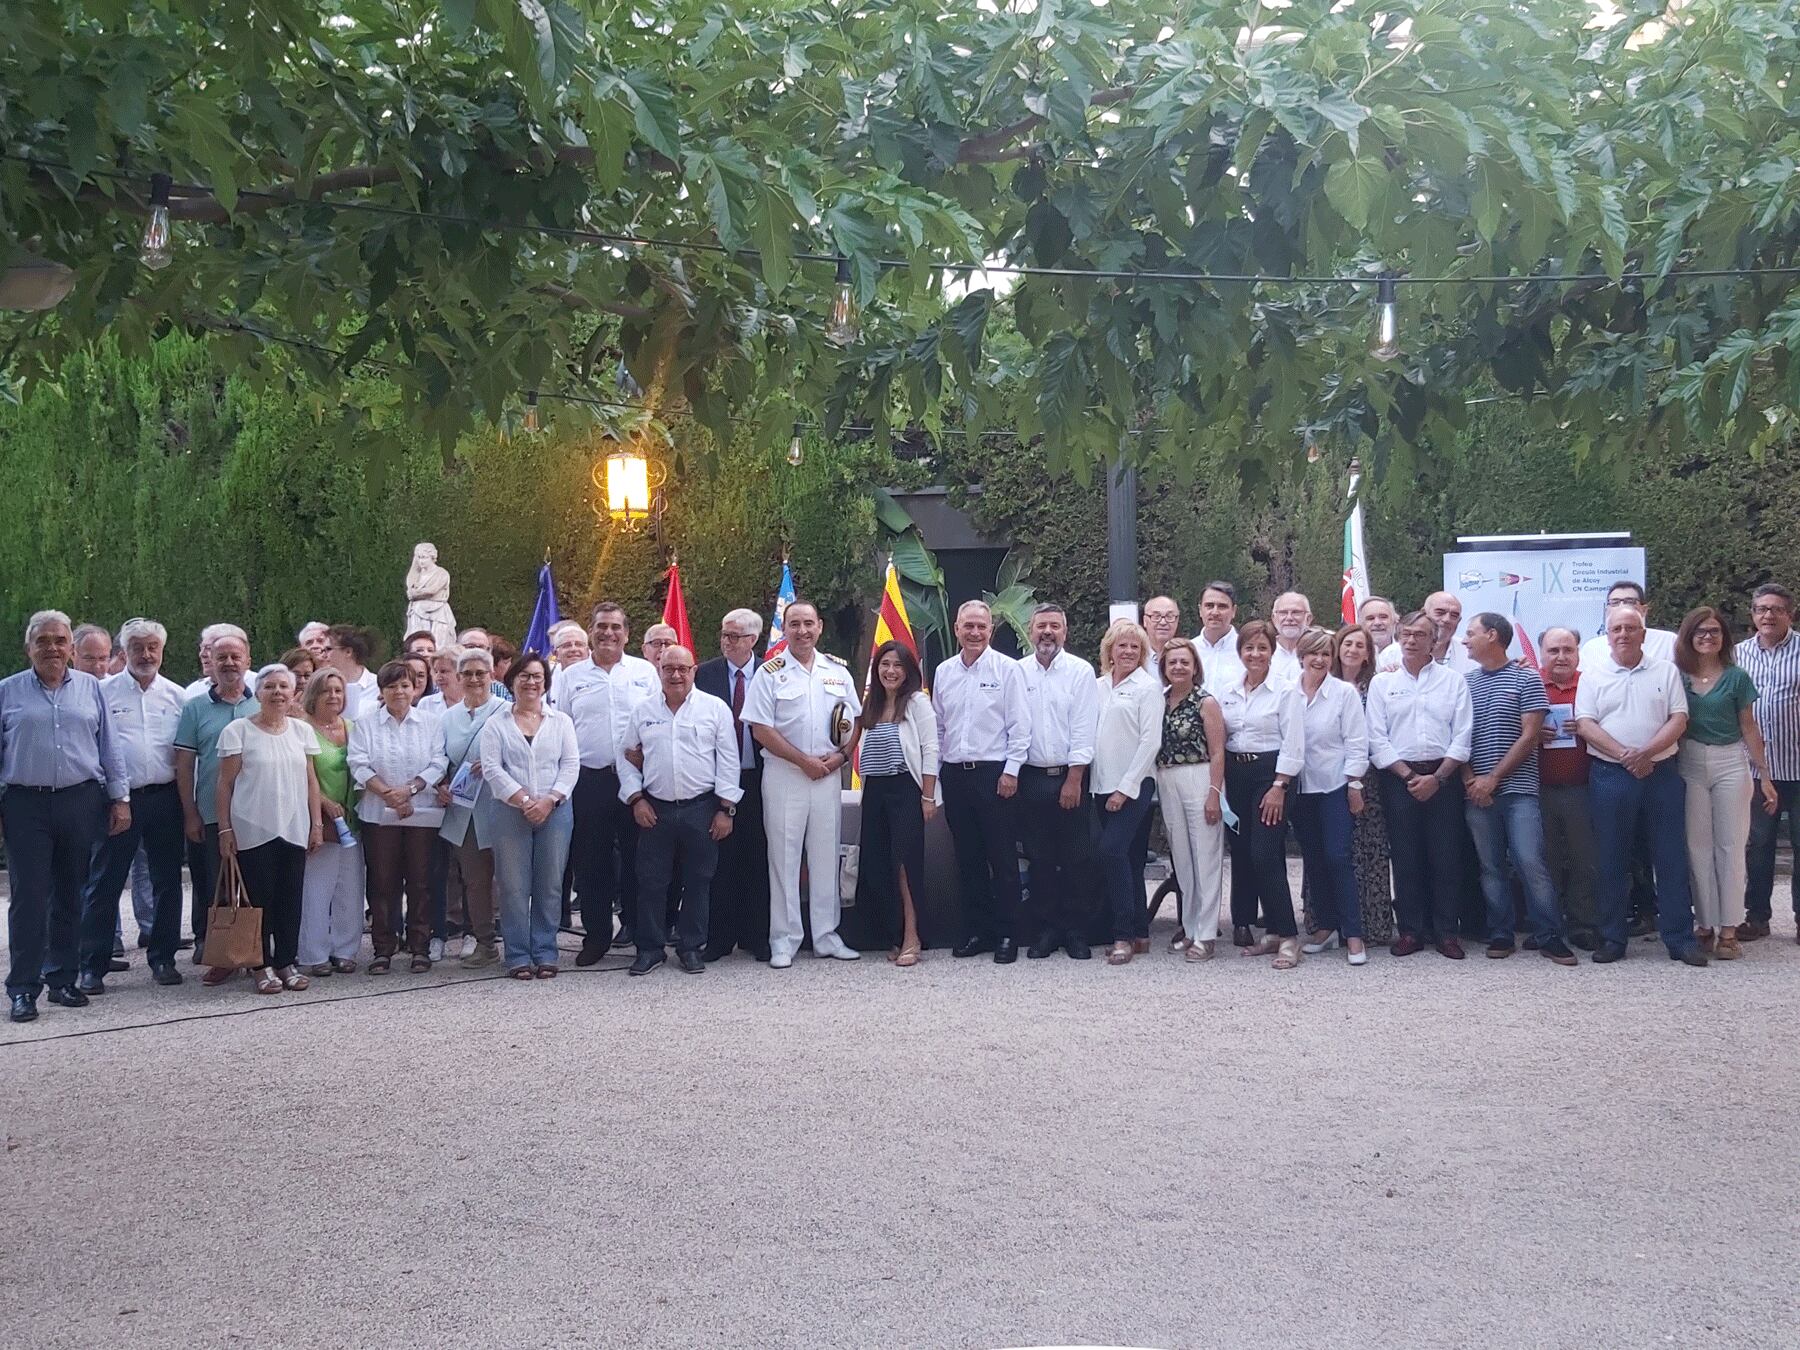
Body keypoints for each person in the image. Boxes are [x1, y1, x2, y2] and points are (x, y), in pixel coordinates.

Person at [2, 611, 129, 1022]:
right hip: (26, 805)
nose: (52, 648)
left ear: (72, 649)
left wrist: (120, 799)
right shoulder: (8, 691)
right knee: (29, 898)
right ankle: (23, 988)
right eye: (43, 641)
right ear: (29, 648)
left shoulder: (91, 689)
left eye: (59, 640)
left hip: (79, 801)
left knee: (71, 893)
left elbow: (109, 748)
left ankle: (63, 979)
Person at [1572, 608, 1706, 965]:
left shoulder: (1665, 670)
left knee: (1671, 856)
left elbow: (1679, 717)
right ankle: (1612, 938)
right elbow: (1585, 723)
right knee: (1611, 857)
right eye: (1617, 628)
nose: (1624, 634)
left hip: (1660, 771)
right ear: (1608, 635)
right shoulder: (1593, 674)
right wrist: (1625, 755)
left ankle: (1679, 938)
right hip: (1611, 773)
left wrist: (1646, 753)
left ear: (1643, 635)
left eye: (1631, 628)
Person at [743, 600, 864, 967]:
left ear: (820, 627)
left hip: (827, 774)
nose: (802, 631)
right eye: (794, 624)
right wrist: (803, 761)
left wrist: (841, 759)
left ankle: (826, 935)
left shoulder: (837, 672)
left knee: (827, 855)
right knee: (783, 857)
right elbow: (760, 727)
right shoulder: (770, 672)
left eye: (808, 624)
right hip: (785, 775)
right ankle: (785, 939)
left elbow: (856, 720)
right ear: (785, 627)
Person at [1459, 613, 1577, 965]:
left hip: (1519, 791)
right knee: (1490, 866)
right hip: (1476, 792)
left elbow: (1529, 737)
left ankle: (1550, 935)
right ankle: (1500, 932)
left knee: (1530, 861)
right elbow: (1457, 738)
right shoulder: (1464, 683)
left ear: (1492, 636)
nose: (1465, 640)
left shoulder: (1526, 679)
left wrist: (1493, 778)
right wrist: (1470, 780)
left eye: (1471, 633)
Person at [618, 645, 741, 975]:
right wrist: (636, 799)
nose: (675, 675)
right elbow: (626, 758)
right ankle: (650, 948)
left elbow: (729, 762)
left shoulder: (714, 709)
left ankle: (690, 946)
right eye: (669, 668)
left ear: (694, 671)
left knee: (699, 880)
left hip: (702, 808)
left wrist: (725, 809)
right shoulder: (643, 711)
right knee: (651, 882)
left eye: (682, 669)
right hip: (654, 809)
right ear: (659, 670)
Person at [81, 617, 187, 990]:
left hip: (165, 798)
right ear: (124, 652)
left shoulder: (178, 696)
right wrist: (114, 798)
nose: (146, 654)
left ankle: (163, 958)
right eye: (138, 647)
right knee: (105, 882)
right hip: (117, 802)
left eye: (152, 647)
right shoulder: (103, 692)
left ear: (162, 650)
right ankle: (93, 965)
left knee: (167, 881)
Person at [558, 602, 661, 962]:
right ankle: (597, 937)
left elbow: (658, 719)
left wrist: (650, 754)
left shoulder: (645, 672)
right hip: (590, 780)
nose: (608, 633)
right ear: (591, 631)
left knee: (640, 862)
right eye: (601, 626)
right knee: (591, 864)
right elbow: (562, 728)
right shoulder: (570, 677)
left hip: (638, 781)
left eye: (616, 627)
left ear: (627, 634)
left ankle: (640, 934)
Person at [1367, 610, 1473, 958]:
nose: (1411, 641)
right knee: (1406, 855)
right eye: (1406, 634)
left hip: (1444, 777)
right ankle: (1411, 930)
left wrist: (1438, 777)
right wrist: (1411, 777)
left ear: (1435, 639)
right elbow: (1377, 739)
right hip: (1400, 779)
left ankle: (1446, 932)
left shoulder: (1453, 681)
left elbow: (1462, 735)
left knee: (1445, 856)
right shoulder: (1384, 684)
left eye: (1420, 635)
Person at [931, 599, 1031, 964]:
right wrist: (939, 773)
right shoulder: (943, 672)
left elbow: (1021, 727)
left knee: (1002, 859)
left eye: (981, 627)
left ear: (991, 631)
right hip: (956, 775)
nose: (974, 632)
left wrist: (1012, 771)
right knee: (968, 858)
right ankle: (978, 930)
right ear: (957, 629)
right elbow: (940, 726)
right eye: (968, 626)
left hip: (995, 774)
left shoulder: (1008, 670)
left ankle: (1007, 934)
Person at [1674, 607, 1773, 960]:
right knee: (1696, 846)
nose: (1707, 637)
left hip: (1731, 761)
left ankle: (1729, 929)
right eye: (1700, 631)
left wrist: (1765, 775)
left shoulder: (1737, 677)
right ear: (1688, 636)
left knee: (1731, 846)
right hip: (1689, 762)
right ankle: (1704, 924)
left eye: (1714, 631)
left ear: (1723, 637)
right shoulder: (1678, 677)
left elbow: (1749, 727)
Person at [217, 664, 322, 993]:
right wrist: (224, 830)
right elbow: (224, 784)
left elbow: (311, 781)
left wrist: (316, 823)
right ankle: (260, 965)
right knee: (258, 900)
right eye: (270, 687)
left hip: (293, 826)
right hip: (252, 827)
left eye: (283, 687)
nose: (277, 692)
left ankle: (286, 961)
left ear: (293, 694)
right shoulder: (238, 731)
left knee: (291, 898)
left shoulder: (301, 731)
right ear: (258, 693)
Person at [481, 654, 579, 979]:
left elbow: (571, 765)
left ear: (546, 682)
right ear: (511, 681)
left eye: (538, 676)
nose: (531, 682)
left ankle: (546, 951)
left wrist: (550, 800)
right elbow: (493, 769)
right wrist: (525, 800)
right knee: (513, 886)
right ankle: (518, 955)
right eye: (524, 676)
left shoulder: (561, 721)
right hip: (509, 812)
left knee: (550, 883)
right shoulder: (496, 724)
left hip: (556, 811)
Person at [348, 661, 448, 974]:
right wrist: (388, 795)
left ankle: (419, 946)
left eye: (405, 685)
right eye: (392, 686)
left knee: (420, 881)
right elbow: (359, 764)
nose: (399, 691)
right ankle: (383, 948)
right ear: (382, 691)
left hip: (421, 812)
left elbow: (438, 762)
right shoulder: (365, 724)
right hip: (379, 814)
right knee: (382, 882)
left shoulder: (431, 723)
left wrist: (409, 790)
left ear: (415, 688)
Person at [1216, 620, 1304, 968]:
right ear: (1240, 653)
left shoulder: (1286, 690)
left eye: (1262, 648)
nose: (1255, 654)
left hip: (1272, 776)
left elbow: (1294, 745)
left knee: (1265, 853)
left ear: (1272, 652)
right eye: (1249, 648)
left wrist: (1280, 787)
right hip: (1237, 774)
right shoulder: (1227, 690)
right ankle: (1268, 933)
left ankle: (1289, 936)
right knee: (1242, 853)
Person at [1015, 604, 1099, 960]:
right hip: (1031, 777)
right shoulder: (1016, 672)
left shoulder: (1081, 672)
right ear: (1029, 632)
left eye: (1054, 626)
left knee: (1077, 858)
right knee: (1040, 859)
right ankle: (1047, 930)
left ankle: (1076, 931)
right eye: (1041, 626)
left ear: (1065, 632)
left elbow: (1083, 728)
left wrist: (1075, 778)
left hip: (1070, 776)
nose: (1047, 632)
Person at [175, 628, 258, 970]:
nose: (228, 663)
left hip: (255, 812)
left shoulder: (262, 702)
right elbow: (183, 765)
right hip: (210, 811)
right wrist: (190, 812)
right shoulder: (195, 708)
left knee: (254, 880)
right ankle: (211, 947)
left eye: (235, 656)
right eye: (220, 657)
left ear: (247, 661)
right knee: (212, 882)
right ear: (209, 661)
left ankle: (252, 947)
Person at [855, 640, 940, 967]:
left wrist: (928, 796)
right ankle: (893, 933)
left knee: (906, 866)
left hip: (906, 789)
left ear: (908, 672)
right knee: (879, 865)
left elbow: (931, 748)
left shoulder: (917, 702)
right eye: (885, 665)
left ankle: (913, 938)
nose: (891, 671)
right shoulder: (871, 706)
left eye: (898, 665)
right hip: (875, 793)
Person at [695, 609, 771, 962]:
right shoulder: (705, 674)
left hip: (762, 776)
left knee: (757, 854)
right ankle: (719, 937)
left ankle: (757, 935)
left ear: (753, 640)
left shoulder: (772, 672)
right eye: (724, 634)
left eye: (735, 636)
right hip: (716, 778)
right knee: (719, 858)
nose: (726, 641)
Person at [1291, 628, 1370, 966]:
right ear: (1302, 656)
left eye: (1326, 654)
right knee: (1314, 858)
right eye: (1314, 653)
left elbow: (1357, 742)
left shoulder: (1344, 693)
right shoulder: (1289, 693)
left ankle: (1354, 935)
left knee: (1338, 857)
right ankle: (1327, 927)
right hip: (1300, 788)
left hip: (1335, 786)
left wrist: (1354, 785)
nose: (1320, 660)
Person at [1087, 620, 1163, 964]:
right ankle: (1141, 933)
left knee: (1111, 852)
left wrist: (1126, 789)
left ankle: (1122, 936)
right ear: (1110, 651)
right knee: (1130, 859)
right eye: (1123, 646)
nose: (1129, 651)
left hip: (1133, 786)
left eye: (1135, 647)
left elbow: (1151, 742)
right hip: (1100, 786)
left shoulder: (1148, 688)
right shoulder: (1098, 686)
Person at [1154, 637, 1226, 961]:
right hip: (1167, 779)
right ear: (1164, 668)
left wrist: (1214, 793)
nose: (1179, 667)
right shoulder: (1160, 700)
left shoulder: (1205, 702)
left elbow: (1217, 750)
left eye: (1185, 662)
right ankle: (1190, 926)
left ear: (1195, 666)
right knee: (1182, 859)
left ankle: (1207, 934)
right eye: (1172, 663)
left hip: (1199, 777)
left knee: (1205, 857)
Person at [1735, 583, 1800, 941]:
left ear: (1790, 614)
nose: (1768, 615)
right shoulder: (1739, 655)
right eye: (1761, 609)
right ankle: (1757, 916)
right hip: (1757, 770)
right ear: (1753, 615)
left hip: (1798, 764)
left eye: (1775, 609)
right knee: (1759, 843)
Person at [437, 648, 505, 966]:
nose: (475, 679)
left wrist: (493, 764)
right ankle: (485, 943)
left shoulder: (506, 711)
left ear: (492, 676)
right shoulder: (447, 718)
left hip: (502, 805)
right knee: (475, 880)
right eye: (468, 674)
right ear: (459, 678)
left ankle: (521, 942)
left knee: (512, 879)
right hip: (464, 810)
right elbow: (438, 759)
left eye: (481, 673)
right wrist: (440, 786)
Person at [295, 668, 364, 977]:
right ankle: (313, 953)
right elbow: (299, 775)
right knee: (316, 888)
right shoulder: (301, 729)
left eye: (338, 691)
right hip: (319, 817)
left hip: (351, 817)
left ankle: (345, 950)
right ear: (314, 695)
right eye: (327, 691)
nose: (334, 696)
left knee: (350, 886)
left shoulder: (352, 727)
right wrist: (323, 803)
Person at [1536, 627, 1601, 949]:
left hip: (1581, 787)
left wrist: (1589, 727)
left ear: (1577, 653)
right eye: (1553, 650)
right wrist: (1534, 734)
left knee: (1583, 859)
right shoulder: (1531, 684)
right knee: (1543, 861)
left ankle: (1582, 925)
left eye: (1567, 650)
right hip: (1539, 789)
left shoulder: (1591, 684)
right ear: (1541, 653)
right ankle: (1547, 927)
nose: (1561, 657)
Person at [1332, 623, 1393, 944]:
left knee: (1368, 850)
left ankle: (1373, 925)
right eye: (1348, 643)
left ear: (1369, 654)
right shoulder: (1323, 684)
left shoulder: (1378, 687)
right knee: (1334, 850)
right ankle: (1331, 922)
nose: (1353, 650)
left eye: (1360, 645)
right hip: (1325, 776)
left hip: (1366, 777)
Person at [1578, 581, 1677, 671]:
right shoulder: (1592, 649)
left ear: (1644, 610)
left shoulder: (1667, 642)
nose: (1622, 606)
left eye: (1629, 601)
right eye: (1615, 602)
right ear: (1606, 611)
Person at [1377, 592, 1475, 674]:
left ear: (1459, 620)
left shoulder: (1470, 652)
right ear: (1424, 613)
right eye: (1440, 612)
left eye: (1454, 615)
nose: (1446, 619)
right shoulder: (1390, 655)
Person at [403, 542, 458, 649]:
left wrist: (415, 594)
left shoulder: (441, 573)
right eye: (418, 557)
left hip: (438, 613)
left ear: (432, 557)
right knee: (417, 643)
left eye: (424, 557)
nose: (420, 561)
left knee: (439, 645)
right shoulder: (417, 574)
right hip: (418, 612)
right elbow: (410, 586)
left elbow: (432, 590)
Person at [1195, 582, 1243, 693]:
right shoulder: (1189, 650)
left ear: (1234, 611)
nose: (1215, 612)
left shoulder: (1246, 651)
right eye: (1209, 606)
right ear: (1200, 610)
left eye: (1222, 606)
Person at [323, 625, 379, 720]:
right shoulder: (322, 685)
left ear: (348, 652)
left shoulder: (378, 685)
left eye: (328, 649)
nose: (324, 655)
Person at [1269, 591, 1312, 685]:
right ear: (1274, 618)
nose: (1289, 618)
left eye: (1296, 612)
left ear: (1308, 619)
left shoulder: (1319, 654)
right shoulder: (1263, 653)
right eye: (1283, 613)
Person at [1141, 596, 1180, 676]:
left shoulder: (1186, 658)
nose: (1163, 622)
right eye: (1156, 616)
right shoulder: (1136, 657)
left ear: (1177, 621)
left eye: (1169, 616)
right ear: (1145, 621)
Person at [417, 649, 459, 714]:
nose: (438, 677)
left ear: (459, 672)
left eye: (443, 671)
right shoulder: (426, 704)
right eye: (436, 672)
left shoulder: (474, 702)